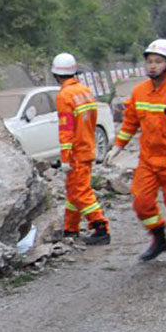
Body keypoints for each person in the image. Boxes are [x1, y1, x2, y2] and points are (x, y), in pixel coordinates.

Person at [103, 39, 166, 264]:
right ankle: (159, 239)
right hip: (148, 161)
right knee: (141, 203)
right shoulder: (140, 92)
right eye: (149, 62)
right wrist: (118, 146)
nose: (153, 66)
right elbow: (130, 123)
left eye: (158, 61)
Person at [51, 53, 110, 246]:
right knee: (73, 191)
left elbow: (66, 129)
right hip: (88, 147)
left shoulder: (64, 96)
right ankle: (71, 227)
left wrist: (66, 157)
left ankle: (100, 226)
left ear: (56, 74)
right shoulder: (85, 91)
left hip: (76, 152)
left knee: (80, 192)